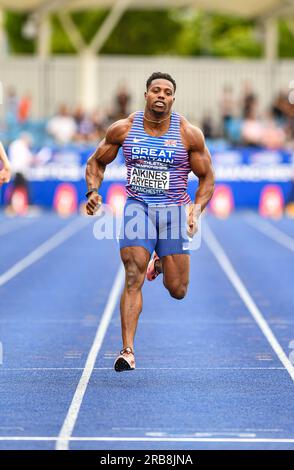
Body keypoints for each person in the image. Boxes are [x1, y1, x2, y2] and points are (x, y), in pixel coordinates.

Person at [85, 72, 215, 372]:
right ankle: (127, 350)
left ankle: (160, 265)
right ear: (146, 94)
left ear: (173, 98)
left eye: (167, 92)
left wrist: (196, 209)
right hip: (138, 209)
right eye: (156, 90)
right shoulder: (124, 129)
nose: (161, 95)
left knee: (178, 289)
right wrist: (93, 192)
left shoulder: (188, 134)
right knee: (133, 275)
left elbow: (207, 177)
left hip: (173, 212)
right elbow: (96, 162)